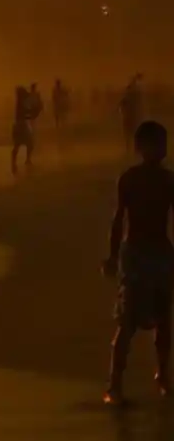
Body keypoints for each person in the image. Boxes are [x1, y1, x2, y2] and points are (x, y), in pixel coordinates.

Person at [102, 120, 174, 405]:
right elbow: (118, 219)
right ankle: (114, 382)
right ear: (141, 148)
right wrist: (111, 256)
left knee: (164, 317)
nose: (162, 149)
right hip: (135, 254)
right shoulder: (129, 178)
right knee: (128, 320)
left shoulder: (169, 180)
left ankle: (163, 375)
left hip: (160, 252)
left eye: (164, 143)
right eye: (157, 143)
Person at [11, 86, 36, 176]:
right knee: (29, 143)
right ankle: (26, 160)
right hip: (21, 126)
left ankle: (15, 162)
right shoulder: (21, 103)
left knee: (17, 145)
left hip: (18, 126)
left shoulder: (20, 102)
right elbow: (25, 113)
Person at [122, 74, 146, 154]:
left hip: (131, 117)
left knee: (131, 134)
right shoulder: (135, 95)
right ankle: (132, 149)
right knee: (132, 134)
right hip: (131, 117)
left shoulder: (133, 95)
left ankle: (132, 149)